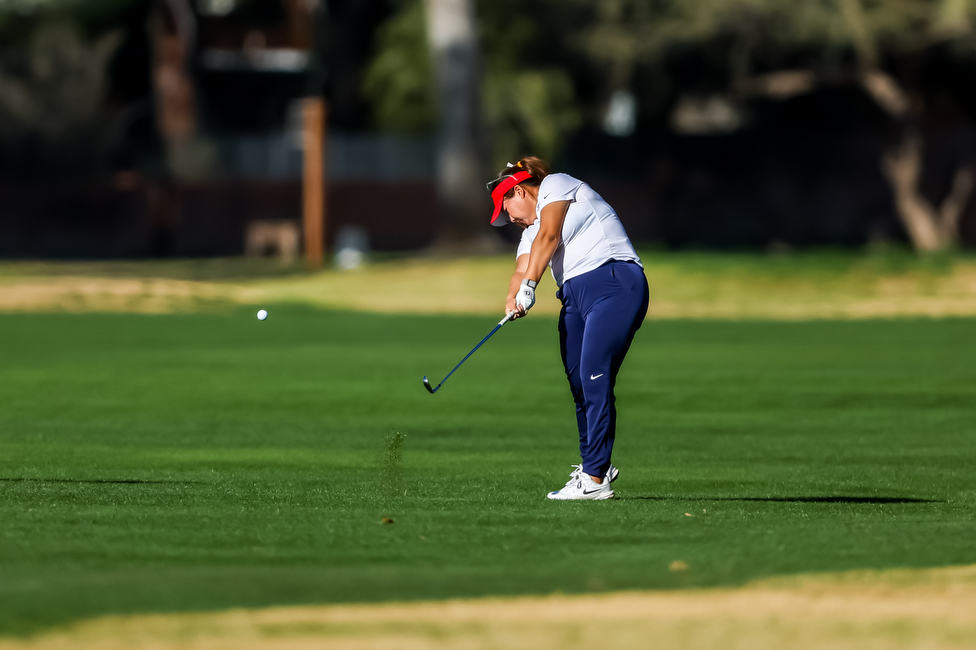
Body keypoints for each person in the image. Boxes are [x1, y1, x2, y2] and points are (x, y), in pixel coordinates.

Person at [488, 157, 649, 500]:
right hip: (574, 298)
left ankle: (594, 479)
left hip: (614, 282)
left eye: (507, 209)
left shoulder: (557, 185)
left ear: (520, 191)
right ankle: (594, 464)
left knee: (594, 374)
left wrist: (531, 286)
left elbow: (550, 235)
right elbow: (522, 268)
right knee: (579, 383)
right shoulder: (529, 232)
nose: (510, 219)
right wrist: (513, 297)